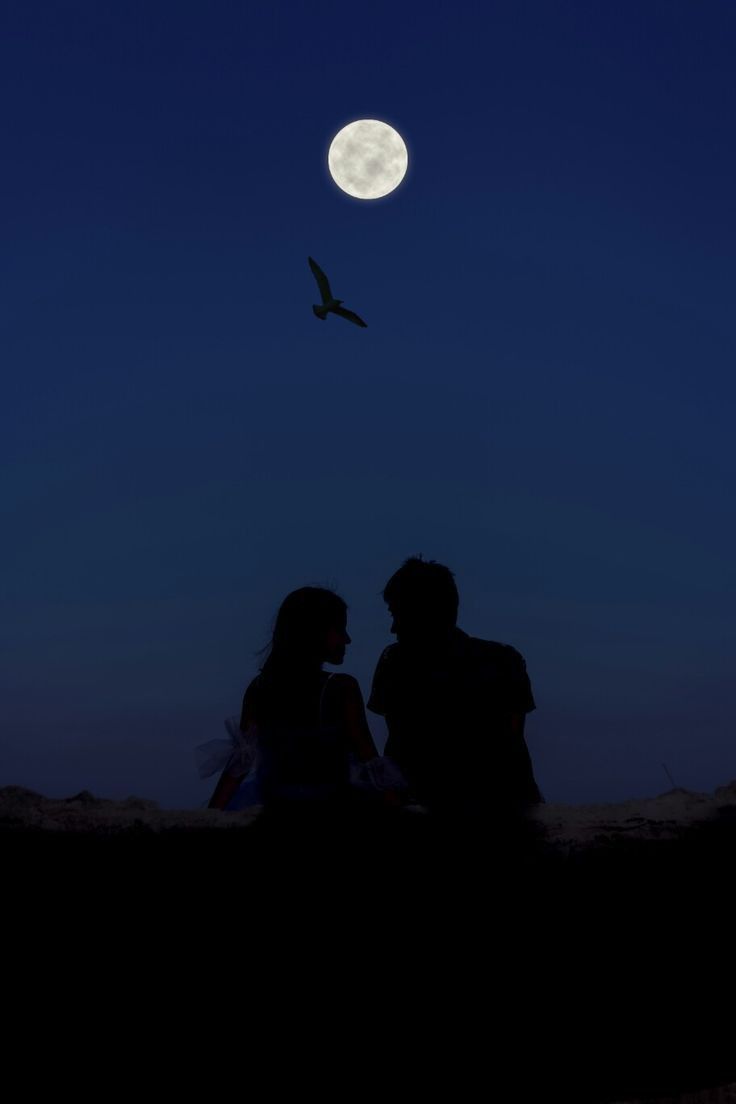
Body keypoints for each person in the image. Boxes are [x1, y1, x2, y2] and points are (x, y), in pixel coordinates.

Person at [367, 556, 543, 814]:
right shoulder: (505, 660)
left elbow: (399, 742)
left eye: (398, 615)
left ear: (421, 614)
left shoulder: (394, 661)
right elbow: (512, 747)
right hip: (498, 804)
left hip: (436, 805)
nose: (394, 628)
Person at [207, 586, 381, 814]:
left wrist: (211, 815)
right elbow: (368, 758)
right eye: (339, 630)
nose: (347, 639)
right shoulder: (341, 687)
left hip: (276, 805)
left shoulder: (259, 688)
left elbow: (241, 762)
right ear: (314, 632)